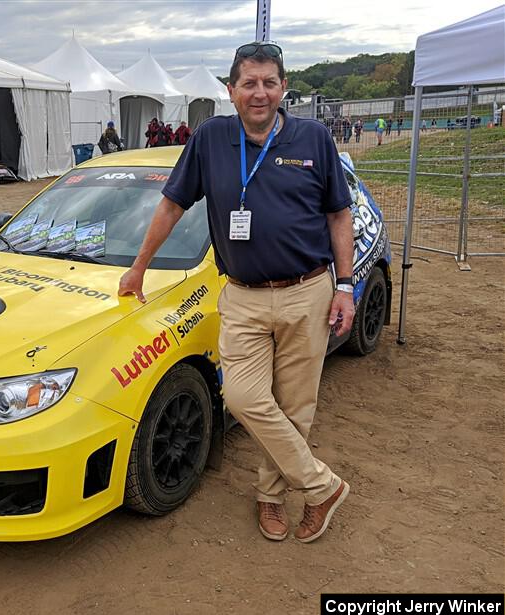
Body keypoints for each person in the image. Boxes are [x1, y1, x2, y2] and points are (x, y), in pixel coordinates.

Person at [118, 40, 353, 544]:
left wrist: (347, 287)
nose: (260, 92)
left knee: (294, 408)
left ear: (284, 87)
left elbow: (339, 215)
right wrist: (138, 267)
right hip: (242, 296)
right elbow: (171, 205)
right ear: (231, 90)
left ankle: (271, 498)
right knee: (245, 397)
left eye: (270, 82)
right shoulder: (210, 139)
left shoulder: (313, 138)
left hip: (306, 291)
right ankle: (321, 485)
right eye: (249, 83)